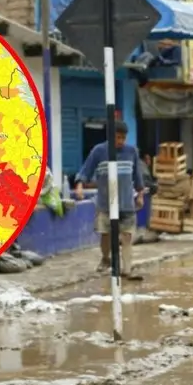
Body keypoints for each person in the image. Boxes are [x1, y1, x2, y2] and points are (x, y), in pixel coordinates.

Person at [74, 120, 145, 281]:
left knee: (127, 236)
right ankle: (106, 258)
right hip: (106, 203)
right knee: (105, 234)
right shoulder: (99, 151)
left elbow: (138, 176)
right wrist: (79, 185)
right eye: (118, 137)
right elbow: (86, 169)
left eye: (123, 138)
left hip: (127, 202)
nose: (120, 141)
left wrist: (140, 194)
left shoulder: (131, 151)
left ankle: (127, 270)